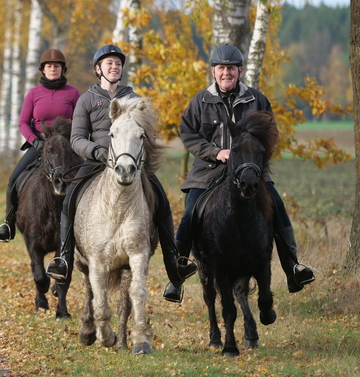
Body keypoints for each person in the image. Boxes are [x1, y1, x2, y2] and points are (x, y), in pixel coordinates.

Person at [45, 44, 197, 302]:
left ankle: (175, 263)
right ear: (98, 69)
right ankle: (64, 258)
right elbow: (77, 139)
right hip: (97, 161)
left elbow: (148, 134)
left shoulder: (135, 99)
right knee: (70, 199)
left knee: (160, 198)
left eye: (117, 63)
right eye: (108, 63)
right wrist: (96, 152)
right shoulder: (86, 99)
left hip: (130, 161)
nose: (114, 67)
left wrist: (136, 152)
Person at [163, 44, 316, 299]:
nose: (226, 73)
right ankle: (176, 278)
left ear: (240, 70)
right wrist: (216, 152)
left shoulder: (256, 99)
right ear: (213, 71)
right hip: (208, 171)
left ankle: (293, 268)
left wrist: (254, 160)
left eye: (231, 68)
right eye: (221, 68)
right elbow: (188, 134)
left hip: (249, 171)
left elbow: (272, 134)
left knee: (277, 207)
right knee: (190, 215)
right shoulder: (200, 101)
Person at [0, 49, 80, 242]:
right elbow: (23, 122)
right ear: (43, 69)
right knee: (14, 179)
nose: (53, 69)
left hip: (65, 148)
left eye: (57, 66)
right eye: (49, 66)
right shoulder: (34, 93)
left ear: (63, 69)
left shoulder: (73, 93)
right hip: (39, 144)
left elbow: (80, 121)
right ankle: (8, 224)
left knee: (84, 180)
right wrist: (35, 141)